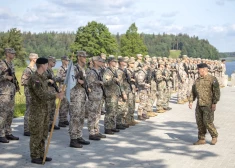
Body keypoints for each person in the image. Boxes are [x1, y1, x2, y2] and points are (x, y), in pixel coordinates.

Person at [28, 57, 64, 164]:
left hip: (44, 109)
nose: (47, 66)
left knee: (44, 133)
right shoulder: (35, 78)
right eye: (46, 64)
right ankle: (35, 156)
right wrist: (56, 95)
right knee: (36, 133)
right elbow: (41, 94)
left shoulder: (43, 77)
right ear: (43, 65)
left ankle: (41, 154)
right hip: (37, 110)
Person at [189, 63, 220, 145]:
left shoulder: (212, 79)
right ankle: (201, 139)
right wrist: (191, 101)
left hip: (208, 104)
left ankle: (214, 136)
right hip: (199, 104)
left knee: (207, 121)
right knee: (199, 122)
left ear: (203, 69)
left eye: (199, 69)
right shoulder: (197, 80)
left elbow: (216, 92)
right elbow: (193, 91)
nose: (198, 71)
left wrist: (214, 102)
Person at [69, 51, 90, 148]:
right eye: (83, 57)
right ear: (79, 57)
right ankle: (73, 139)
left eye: (86, 57)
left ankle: (79, 136)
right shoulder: (74, 68)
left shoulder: (83, 69)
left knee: (81, 118)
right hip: (75, 96)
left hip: (82, 96)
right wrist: (78, 80)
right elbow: (68, 79)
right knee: (75, 118)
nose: (85, 58)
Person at [0, 48, 19, 143]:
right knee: (3, 114)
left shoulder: (11, 64)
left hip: (11, 92)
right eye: (12, 53)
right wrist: (6, 77)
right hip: (4, 93)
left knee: (10, 113)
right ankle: (1, 133)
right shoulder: (1, 63)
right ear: (7, 53)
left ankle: (8, 132)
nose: (14, 54)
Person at [86, 56, 106, 140]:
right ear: (95, 62)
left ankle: (96, 131)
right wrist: (99, 82)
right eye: (100, 61)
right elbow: (89, 83)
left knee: (98, 115)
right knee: (92, 115)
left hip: (99, 96)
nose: (102, 63)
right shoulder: (91, 72)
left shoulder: (99, 71)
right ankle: (91, 133)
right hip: (94, 96)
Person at [21, 53, 38, 136]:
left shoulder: (34, 69)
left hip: (34, 92)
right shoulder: (28, 70)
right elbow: (23, 81)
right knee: (29, 110)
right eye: (36, 58)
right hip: (29, 92)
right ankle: (26, 129)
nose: (37, 59)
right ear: (33, 59)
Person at [103, 57, 120, 134]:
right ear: (110, 62)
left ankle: (112, 126)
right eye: (114, 61)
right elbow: (105, 82)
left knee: (114, 111)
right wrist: (113, 79)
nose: (115, 62)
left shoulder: (114, 70)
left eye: (116, 61)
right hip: (110, 94)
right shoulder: (108, 71)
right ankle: (107, 127)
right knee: (109, 111)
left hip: (114, 93)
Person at [46, 56, 60, 131]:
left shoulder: (51, 70)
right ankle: (47, 124)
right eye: (53, 62)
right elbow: (40, 80)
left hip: (52, 91)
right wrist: (48, 81)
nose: (55, 63)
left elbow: (54, 80)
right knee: (48, 108)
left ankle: (51, 123)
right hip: (48, 91)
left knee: (52, 108)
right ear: (49, 62)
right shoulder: (45, 70)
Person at [56, 56, 70, 127]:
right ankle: (61, 120)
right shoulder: (60, 69)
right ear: (63, 61)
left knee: (66, 105)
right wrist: (64, 78)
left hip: (67, 88)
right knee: (62, 105)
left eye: (68, 60)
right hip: (62, 88)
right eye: (66, 60)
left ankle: (65, 119)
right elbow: (57, 78)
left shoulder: (68, 68)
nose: (67, 61)